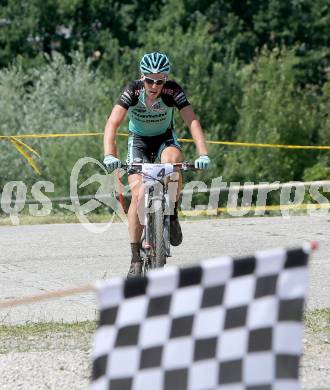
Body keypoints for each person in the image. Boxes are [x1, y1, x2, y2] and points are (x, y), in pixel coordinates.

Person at [103, 52, 210, 277]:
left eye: (159, 81)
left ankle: (171, 214)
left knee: (172, 164)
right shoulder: (132, 91)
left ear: (165, 79)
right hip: (139, 142)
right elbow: (112, 123)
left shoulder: (172, 91)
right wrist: (109, 155)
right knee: (139, 195)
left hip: (164, 139)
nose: (154, 85)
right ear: (142, 78)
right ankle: (134, 259)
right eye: (149, 80)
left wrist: (203, 153)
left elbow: (192, 121)